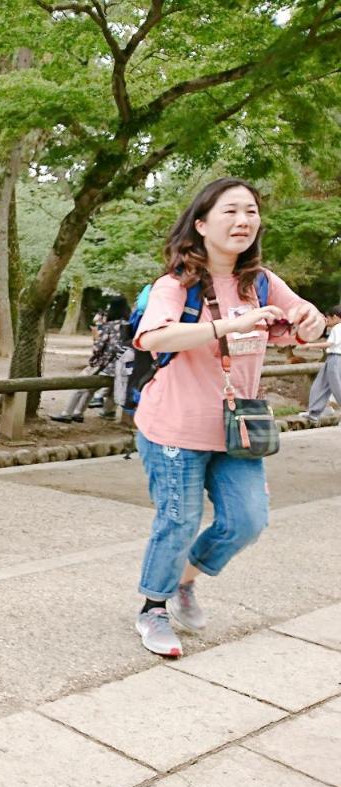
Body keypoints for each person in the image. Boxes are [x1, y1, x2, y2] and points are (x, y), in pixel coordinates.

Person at [130, 177, 325, 658]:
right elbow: (154, 337)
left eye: (252, 212)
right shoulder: (175, 285)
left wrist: (310, 320)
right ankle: (153, 608)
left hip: (238, 426)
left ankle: (183, 581)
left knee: (247, 520)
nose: (244, 221)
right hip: (174, 424)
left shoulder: (260, 282)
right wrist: (224, 325)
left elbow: (300, 319)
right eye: (231, 211)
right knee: (178, 520)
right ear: (201, 224)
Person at [51, 296, 129, 423]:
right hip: (123, 368)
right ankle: (93, 413)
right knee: (100, 389)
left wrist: (94, 351)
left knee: (81, 385)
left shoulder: (109, 326)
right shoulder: (130, 326)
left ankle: (67, 413)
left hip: (106, 366)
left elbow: (99, 347)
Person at [302, 305, 341, 423]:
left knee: (337, 387)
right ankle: (314, 412)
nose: (327, 321)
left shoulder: (337, 328)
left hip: (335, 358)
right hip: (332, 359)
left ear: (335, 317)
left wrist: (310, 345)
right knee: (321, 384)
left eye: (328, 319)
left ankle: (315, 411)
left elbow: (330, 344)